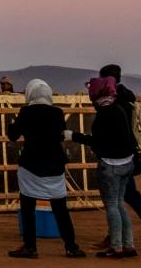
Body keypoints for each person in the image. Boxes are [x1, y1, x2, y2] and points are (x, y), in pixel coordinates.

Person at [5, 80, 84, 258]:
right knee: (60, 208)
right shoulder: (57, 113)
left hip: (31, 165)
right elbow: (61, 134)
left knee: (28, 206)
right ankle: (71, 246)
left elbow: (12, 135)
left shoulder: (26, 112)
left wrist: (13, 124)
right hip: (55, 164)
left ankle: (30, 247)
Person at [97, 65, 141, 250]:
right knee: (121, 198)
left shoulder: (115, 103)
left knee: (124, 198)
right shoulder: (126, 99)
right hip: (128, 155)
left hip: (118, 158)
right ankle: (117, 235)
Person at [74, 75, 139, 258]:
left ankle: (116, 246)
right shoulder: (119, 109)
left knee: (111, 205)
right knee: (119, 204)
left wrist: (74, 136)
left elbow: (97, 141)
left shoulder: (103, 114)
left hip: (110, 165)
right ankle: (128, 244)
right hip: (127, 163)